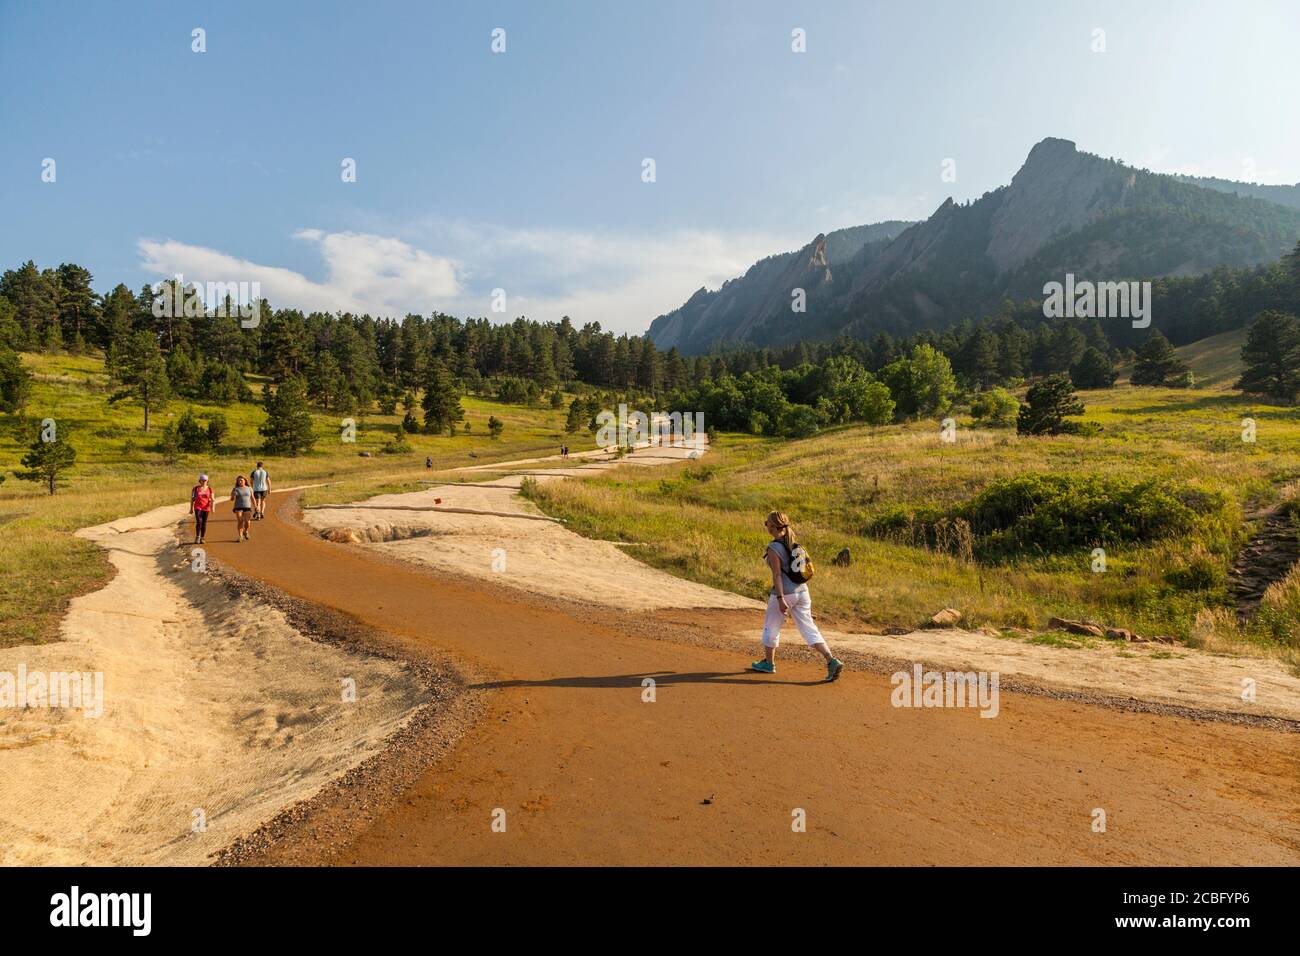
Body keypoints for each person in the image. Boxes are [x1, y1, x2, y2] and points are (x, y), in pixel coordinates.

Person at [751, 511, 843, 682]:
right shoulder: (794, 543)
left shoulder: (773, 548)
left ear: (772, 527)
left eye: (767, 523)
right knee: (809, 628)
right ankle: (831, 660)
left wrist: (780, 599)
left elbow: (777, 575)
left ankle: (769, 664)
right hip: (802, 592)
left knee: (771, 627)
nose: (766, 526)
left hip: (785, 593)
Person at [189, 474, 213, 544]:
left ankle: (202, 538)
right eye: (202, 480)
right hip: (198, 507)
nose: (203, 481)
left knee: (204, 523)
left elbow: (212, 499)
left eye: (205, 480)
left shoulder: (210, 489)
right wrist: (191, 509)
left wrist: (212, 507)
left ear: (207, 481)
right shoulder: (195, 488)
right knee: (199, 522)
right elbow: (192, 499)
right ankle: (197, 537)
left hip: (206, 507)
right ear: (199, 481)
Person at [230, 475, 254, 542]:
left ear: (245, 481)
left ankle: (245, 531)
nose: (240, 482)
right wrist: (233, 495)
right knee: (240, 521)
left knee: (247, 522)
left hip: (247, 507)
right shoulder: (235, 489)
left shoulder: (249, 488)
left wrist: (256, 506)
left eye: (241, 480)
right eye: (239, 481)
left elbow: (252, 498)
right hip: (238, 507)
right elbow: (232, 499)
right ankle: (240, 536)